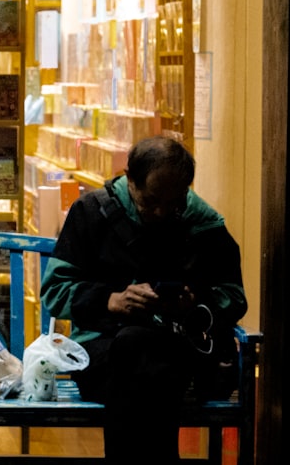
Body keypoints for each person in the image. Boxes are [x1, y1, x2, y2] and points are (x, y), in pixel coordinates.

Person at [40, 135, 248, 465]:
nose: (162, 212)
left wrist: (193, 307)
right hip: (103, 351)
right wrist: (110, 301)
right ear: (130, 180)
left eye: (174, 203)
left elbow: (233, 296)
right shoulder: (92, 213)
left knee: (142, 351)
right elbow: (55, 289)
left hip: (174, 350)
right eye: (150, 202)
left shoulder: (203, 225)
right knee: (136, 348)